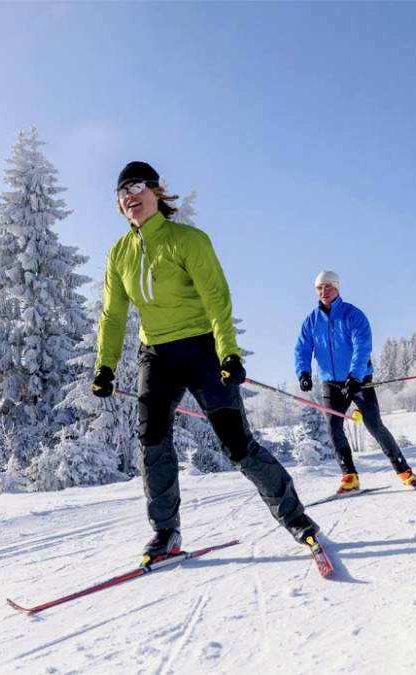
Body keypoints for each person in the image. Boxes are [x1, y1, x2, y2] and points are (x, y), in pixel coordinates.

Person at [92, 160, 318, 564]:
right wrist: (105, 366)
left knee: (236, 444)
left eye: (138, 185)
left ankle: (297, 519)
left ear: (157, 192)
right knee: (153, 442)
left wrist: (228, 351)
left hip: (201, 350)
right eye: (122, 190)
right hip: (156, 355)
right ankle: (165, 533)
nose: (130, 195)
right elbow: (113, 315)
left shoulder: (187, 240)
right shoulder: (119, 254)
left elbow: (217, 298)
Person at [294, 270, 416, 494]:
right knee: (334, 427)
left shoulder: (353, 315)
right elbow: (302, 349)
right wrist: (303, 372)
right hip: (330, 383)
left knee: (373, 424)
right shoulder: (311, 321)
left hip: (358, 380)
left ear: (337, 288)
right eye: (320, 288)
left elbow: (362, 346)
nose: (324, 291)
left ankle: (404, 471)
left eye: (328, 286)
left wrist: (355, 375)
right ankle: (349, 476)